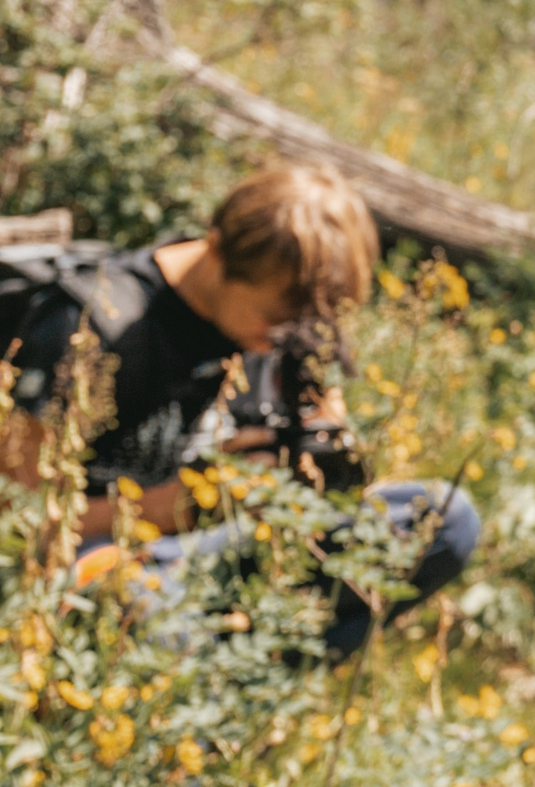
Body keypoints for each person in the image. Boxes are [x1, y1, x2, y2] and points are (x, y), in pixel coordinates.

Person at [1, 165, 478, 654]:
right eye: (274, 320)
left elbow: (330, 448)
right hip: (118, 553)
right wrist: (170, 507)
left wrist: (315, 461)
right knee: (146, 615)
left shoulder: (291, 315)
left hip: (241, 538)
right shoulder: (93, 326)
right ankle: (205, 690)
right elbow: (18, 515)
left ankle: (250, 674)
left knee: (443, 520)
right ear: (216, 249)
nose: (282, 339)